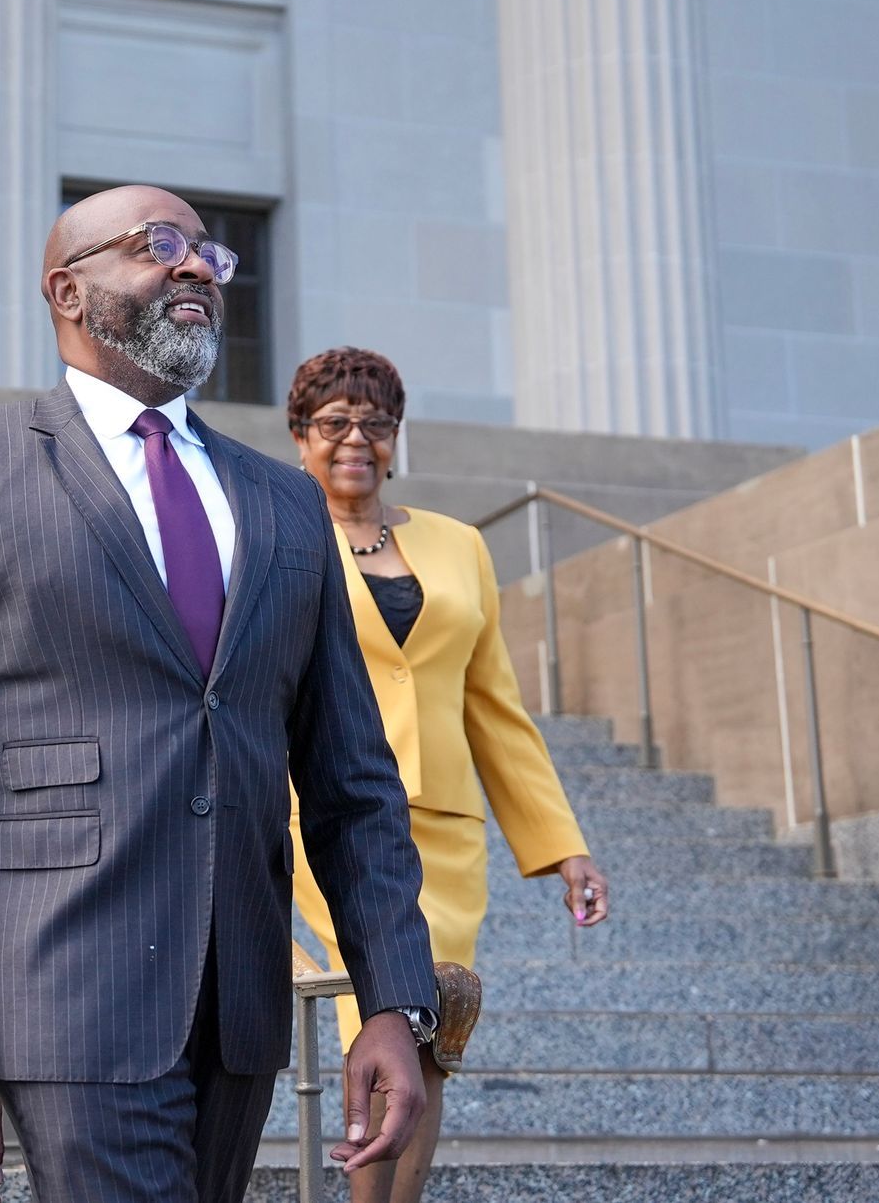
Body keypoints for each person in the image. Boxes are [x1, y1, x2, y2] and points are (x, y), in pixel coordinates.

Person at [0, 186, 439, 1203]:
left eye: (211, 252)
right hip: (64, 988)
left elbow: (352, 780)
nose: (197, 266)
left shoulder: (285, 499)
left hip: (239, 1005)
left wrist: (393, 999)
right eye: (159, 245)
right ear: (67, 291)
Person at [285, 347, 612, 1203]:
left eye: (375, 424)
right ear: (299, 438)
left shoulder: (459, 546)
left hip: (444, 832)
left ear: (395, 438)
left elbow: (495, 708)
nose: (356, 439)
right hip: (326, 821)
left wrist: (561, 846)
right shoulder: (279, 534)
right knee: (381, 1012)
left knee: (435, 1027)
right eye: (333, 424)